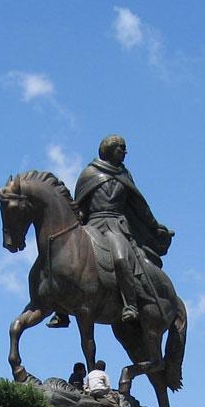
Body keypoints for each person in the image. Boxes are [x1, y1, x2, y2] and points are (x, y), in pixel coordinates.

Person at [48, 134, 174, 328]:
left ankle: (130, 304)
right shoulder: (89, 174)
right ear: (109, 149)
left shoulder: (125, 176)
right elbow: (78, 204)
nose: (125, 152)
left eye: (124, 148)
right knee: (68, 259)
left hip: (116, 226)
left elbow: (140, 207)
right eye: (121, 148)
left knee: (121, 258)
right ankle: (60, 310)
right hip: (92, 225)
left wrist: (154, 226)